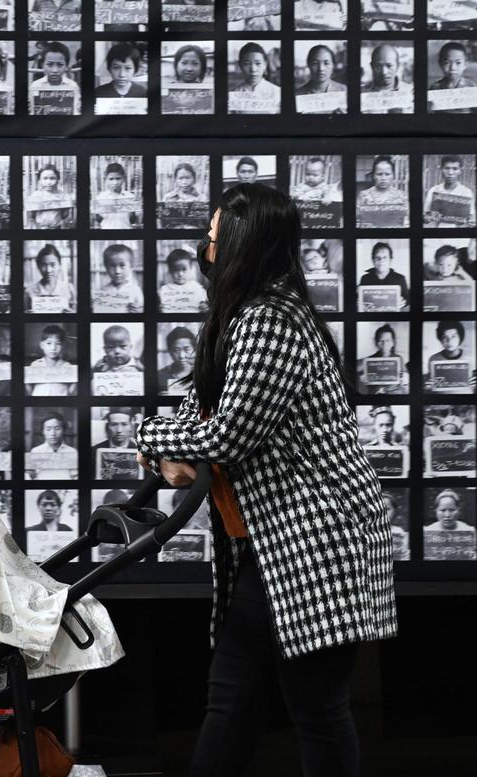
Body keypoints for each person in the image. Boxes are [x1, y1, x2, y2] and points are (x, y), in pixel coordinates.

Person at [133, 183, 396, 776]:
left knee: (313, 709)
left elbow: (228, 435)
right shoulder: (246, 317)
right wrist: (165, 445)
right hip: (272, 546)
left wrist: (149, 440)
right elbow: (201, 413)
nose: (205, 249)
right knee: (238, 699)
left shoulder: (269, 321)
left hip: (318, 542)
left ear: (242, 247)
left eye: (214, 239)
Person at [356, 323, 408, 394]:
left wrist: (403, 379)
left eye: (387, 340)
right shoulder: (370, 360)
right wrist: (361, 378)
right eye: (381, 341)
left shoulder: (399, 359)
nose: (384, 344)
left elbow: (406, 380)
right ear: (376, 342)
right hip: (375, 396)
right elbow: (353, 368)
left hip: (394, 395)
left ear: (393, 343)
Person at [26, 324, 76, 396]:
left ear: (62, 346)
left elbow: (71, 390)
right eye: (49, 343)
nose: (53, 348)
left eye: (58, 343)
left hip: (60, 405)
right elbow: (29, 389)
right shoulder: (35, 365)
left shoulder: (67, 366)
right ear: (42, 345)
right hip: (40, 404)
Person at [24, 243, 76, 313]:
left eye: (53, 265)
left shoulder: (69, 289)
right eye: (44, 265)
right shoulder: (29, 291)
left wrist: (73, 315)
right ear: (38, 266)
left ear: (59, 265)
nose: (48, 270)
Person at [230, 42, 279, 112]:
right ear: (240, 65)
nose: (253, 69)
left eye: (258, 63)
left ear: (265, 65)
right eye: (247, 64)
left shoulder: (278, 93)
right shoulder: (233, 95)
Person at [358, 241, 409, 309]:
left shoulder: (400, 278)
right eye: (377, 257)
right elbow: (358, 299)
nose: (381, 260)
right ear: (373, 260)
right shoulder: (365, 279)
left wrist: (404, 302)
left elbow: (407, 298)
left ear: (390, 260)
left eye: (385, 257)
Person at [96, 243, 144, 313]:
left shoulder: (135, 291)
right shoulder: (102, 291)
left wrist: (139, 311)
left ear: (131, 266)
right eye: (112, 266)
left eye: (122, 266)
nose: (117, 271)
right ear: (106, 267)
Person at [28, 413, 78, 479]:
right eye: (48, 429)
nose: (53, 433)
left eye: (57, 429)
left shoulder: (72, 452)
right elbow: (31, 477)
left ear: (64, 430)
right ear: (43, 431)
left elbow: (75, 477)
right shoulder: (35, 451)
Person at [158, 247, 208, 312]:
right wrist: (159, 311)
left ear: (191, 268)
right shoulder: (163, 291)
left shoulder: (198, 289)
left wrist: (205, 308)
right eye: (176, 270)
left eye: (184, 269)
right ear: (170, 270)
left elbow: (207, 310)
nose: (180, 274)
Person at [92, 161, 140, 229]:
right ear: (106, 179)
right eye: (111, 179)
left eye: (118, 178)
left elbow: (133, 220)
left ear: (123, 178)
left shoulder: (131, 197)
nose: (115, 182)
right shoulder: (100, 198)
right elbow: (97, 220)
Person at [24, 164, 73, 229]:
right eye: (45, 178)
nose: (48, 182)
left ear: (58, 179)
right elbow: (31, 217)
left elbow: (65, 216)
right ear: (39, 181)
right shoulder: (35, 196)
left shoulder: (64, 196)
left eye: (52, 178)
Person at [156, 326, 196, 392]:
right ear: (170, 352)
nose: (182, 356)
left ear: (194, 350)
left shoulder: (202, 375)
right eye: (176, 350)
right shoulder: (159, 376)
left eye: (187, 349)